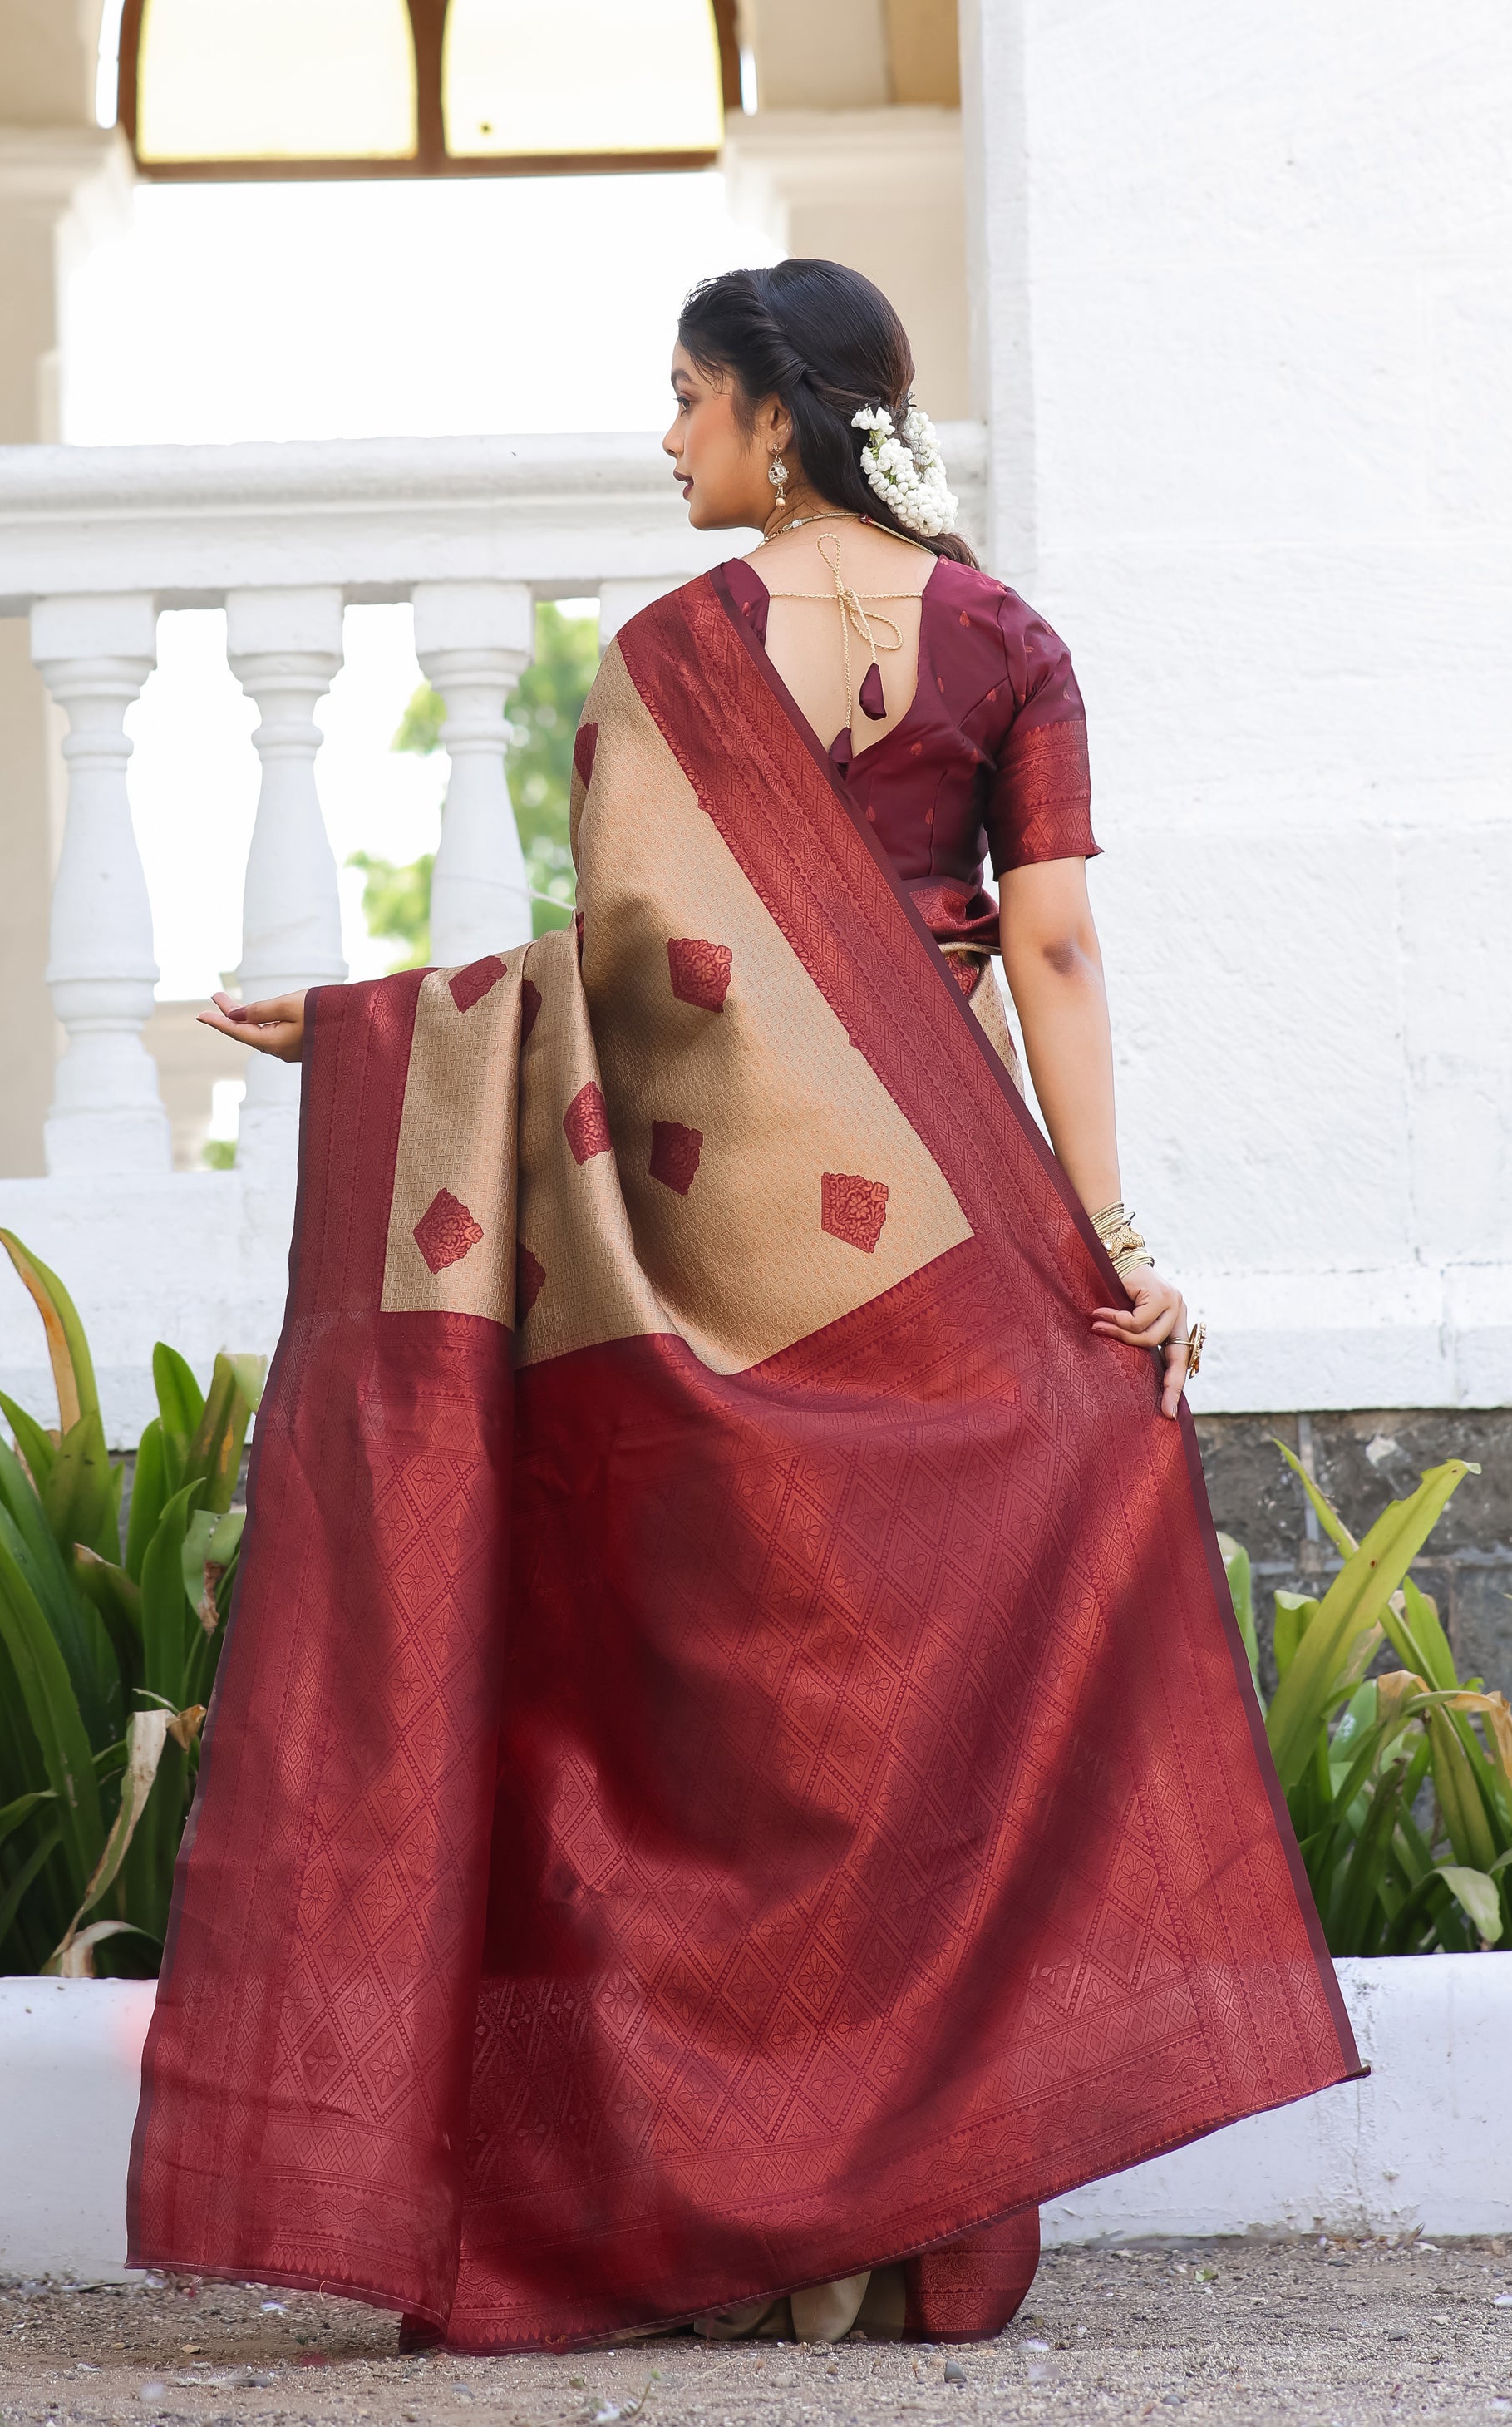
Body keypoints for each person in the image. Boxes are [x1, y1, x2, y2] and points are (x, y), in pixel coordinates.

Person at [131, 262, 1358, 2353]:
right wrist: (1110, 1242)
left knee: (719, 1733)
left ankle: (746, 2207)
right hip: (949, 1229)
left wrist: (368, 1033)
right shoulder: (1008, 643)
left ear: (776, 418)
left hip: (722, 1265)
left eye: (689, 397)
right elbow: (1053, 952)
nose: (670, 436)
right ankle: (891, 2219)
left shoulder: (671, 663)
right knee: (930, 1724)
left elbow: (627, 992)